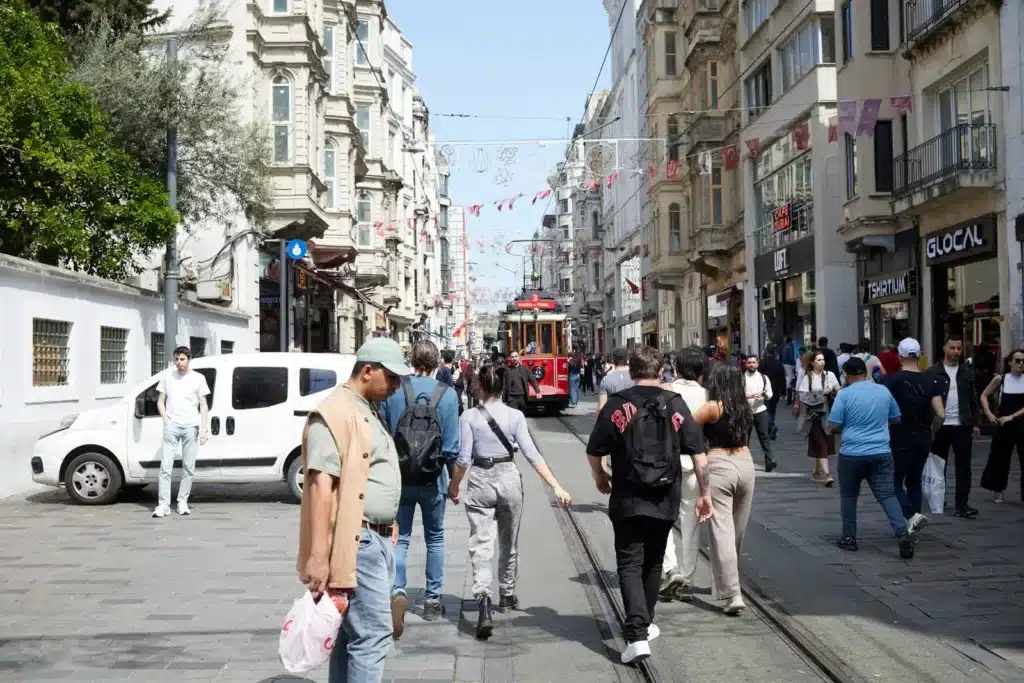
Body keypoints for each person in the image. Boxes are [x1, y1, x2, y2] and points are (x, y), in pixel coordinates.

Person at [586, 346, 712, 664]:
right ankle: (645, 622)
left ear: (631, 371)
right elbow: (699, 453)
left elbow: (594, 448)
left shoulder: (618, 404)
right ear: (661, 372)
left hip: (627, 494)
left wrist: (599, 475)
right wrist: (705, 494)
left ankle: (637, 635)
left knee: (630, 563)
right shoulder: (675, 404)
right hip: (665, 493)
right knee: (653, 561)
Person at [297, 337, 409, 683]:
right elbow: (320, 486)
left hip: (372, 538)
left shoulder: (363, 406)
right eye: (390, 378)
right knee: (372, 637)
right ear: (367, 370)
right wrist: (318, 556)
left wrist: (386, 520)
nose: (395, 386)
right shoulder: (334, 413)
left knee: (350, 637)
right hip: (356, 541)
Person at [449, 365, 571, 640]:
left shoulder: (469, 417)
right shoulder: (515, 416)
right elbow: (532, 454)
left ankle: (483, 601)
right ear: (503, 387)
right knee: (509, 541)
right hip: (508, 478)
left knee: (481, 544)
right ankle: (506, 595)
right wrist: (556, 486)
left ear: (479, 385)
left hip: (480, 478)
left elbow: (463, 459)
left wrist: (454, 487)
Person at [379, 341, 461, 637]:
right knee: (435, 538)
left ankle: (398, 591)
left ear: (411, 361)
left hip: (399, 479)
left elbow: (385, 436)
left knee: (399, 539)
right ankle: (432, 600)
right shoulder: (449, 396)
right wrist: (453, 484)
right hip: (434, 481)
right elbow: (452, 448)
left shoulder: (394, 391)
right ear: (438, 362)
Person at [828, 357, 914, 559]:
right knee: (887, 495)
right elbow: (896, 417)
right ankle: (902, 531)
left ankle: (849, 539)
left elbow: (833, 425)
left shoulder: (844, 394)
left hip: (851, 454)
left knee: (849, 497)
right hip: (881, 452)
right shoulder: (883, 390)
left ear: (847, 375)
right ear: (865, 373)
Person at [692, 363, 756, 616]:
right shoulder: (744, 408)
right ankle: (725, 585)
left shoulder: (713, 407)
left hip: (719, 465)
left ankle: (732, 592)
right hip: (746, 465)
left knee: (722, 532)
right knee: (737, 532)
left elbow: (685, 427)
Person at [659, 347, 708, 602]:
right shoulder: (706, 394)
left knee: (665, 520)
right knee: (690, 520)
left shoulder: (666, 391)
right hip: (694, 463)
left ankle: (670, 570)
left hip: (667, 462)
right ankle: (687, 577)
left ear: (676, 367)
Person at [881, 338, 943, 534]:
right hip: (923, 436)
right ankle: (914, 520)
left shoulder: (890, 381)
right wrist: (931, 431)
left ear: (899, 356)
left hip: (898, 435)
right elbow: (941, 414)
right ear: (919, 355)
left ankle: (911, 515)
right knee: (915, 480)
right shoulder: (931, 379)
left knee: (894, 480)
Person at [927, 335, 982, 518]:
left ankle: (962, 505)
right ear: (944, 348)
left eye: (959, 348)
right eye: (952, 348)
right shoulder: (933, 371)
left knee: (964, 467)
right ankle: (938, 499)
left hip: (962, 425)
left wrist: (975, 423)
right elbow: (926, 400)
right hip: (940, 425)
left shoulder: (966, 372)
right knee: (937, 465)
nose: (956, 352)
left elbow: (973, 399)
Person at [153, 346, 210, 518]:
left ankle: (182, 502)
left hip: (191, 426)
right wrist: (166, 420)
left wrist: (204, 429)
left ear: (189, 359)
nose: (179, 362)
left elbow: (204, 404)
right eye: (176, 359)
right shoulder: (167, 377)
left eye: (182, 359)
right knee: (165, 467)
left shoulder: (198, 378)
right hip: (172, 426)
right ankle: (163, 505)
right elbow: (160, 401)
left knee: (188, 467)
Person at [980, 348, 1024, 503]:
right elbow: (984, 395)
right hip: (1003, 425)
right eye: (1017, 360)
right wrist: (989, 413)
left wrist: (1011, 417)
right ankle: (998, 490)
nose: (1021, 364)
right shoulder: (1001, 379)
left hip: (1021, 424)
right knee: (999, 458)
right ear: (1010, 362)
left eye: (1023, 361)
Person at [797, 350, 840, 486]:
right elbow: (803, 396)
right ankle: (827, 475)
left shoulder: (830, 375)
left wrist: (835, 391)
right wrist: (822, 392)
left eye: (823, 360)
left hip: (828, 415)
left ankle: (816, 472)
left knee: (825, 443)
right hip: (813, 416)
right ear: (812, 362)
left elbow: (839, 392)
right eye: (819, 360)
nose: (822, 362)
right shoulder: (807, 377)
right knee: (821, 444)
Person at [742, 353, 777, 472]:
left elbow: (770, 394)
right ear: (746, 364)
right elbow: (737, 395)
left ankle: (769, 461)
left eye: (753, 362)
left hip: (760, 410)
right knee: (744, 439)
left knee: (764, 437)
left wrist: (764, 395)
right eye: (749, 362)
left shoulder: (763, 378)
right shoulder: (742, 378)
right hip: (746, 412)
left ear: (757, 363)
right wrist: (751, 395)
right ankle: (744, 463)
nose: (751, 365)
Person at [760, 344, 787, 439]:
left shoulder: (762, 363)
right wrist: (784, 391)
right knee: (772, 408)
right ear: (774, 352)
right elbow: (782, 378)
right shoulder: (778, 364)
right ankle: (771, 426)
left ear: (766, 351)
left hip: (764, 390)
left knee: (767, 409)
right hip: (776, 390)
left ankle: (770, 426)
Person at [597, 347, 633, 412]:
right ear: (627, 360)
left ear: (613, 361)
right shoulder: (635, 378)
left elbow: (601, 406)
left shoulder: (606, 380)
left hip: (613, 417)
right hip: (633, 418)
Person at [780, 337, 796, 404]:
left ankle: (787, 395)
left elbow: (781, 357)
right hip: (789, 365)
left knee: (787, 379)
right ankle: (789, 396)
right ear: (790, 341)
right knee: (789, 380)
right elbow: (791, 357)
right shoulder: (789, 347)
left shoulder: (782, 347)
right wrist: (794, 364)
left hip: (784, 364)